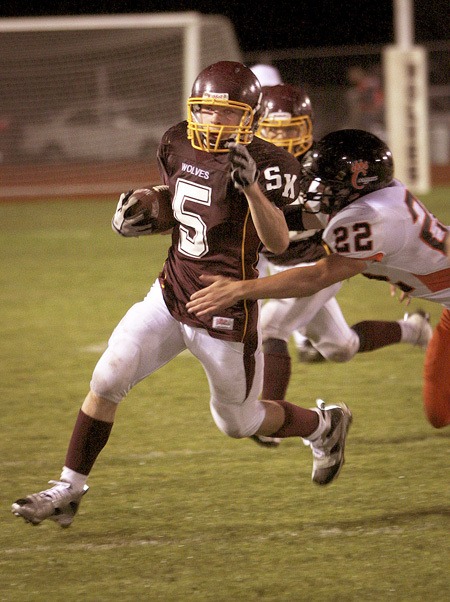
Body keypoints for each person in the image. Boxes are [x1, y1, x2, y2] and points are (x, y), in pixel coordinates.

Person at [11, 62, 353, 529]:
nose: (214, 121)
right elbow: (182, 203)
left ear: (250, 118)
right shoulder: (176, 140)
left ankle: (324, 425)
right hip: (171, 292)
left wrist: (252, 188)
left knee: (238, 422)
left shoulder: (274, 163)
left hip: (225, 307)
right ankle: (68, 489)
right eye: (206, 110)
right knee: (108, 376)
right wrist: (142, 209)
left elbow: (276, 242)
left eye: (227, 113)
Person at [186, 128, 450, 430]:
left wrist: (238, 290)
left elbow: (317, 276)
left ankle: (272, 425)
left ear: (358, 185)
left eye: (326, 184)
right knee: (438, 414)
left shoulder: (371, 218)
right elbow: (303, 218)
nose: (314, 190)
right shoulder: (375, 200)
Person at [251, 86, 432, 447]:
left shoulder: (324, 164)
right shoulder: (252, 161)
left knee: (270, 327)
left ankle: (268, 419)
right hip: (280, 265)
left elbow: (383, 207)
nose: (283, 138)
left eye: (292, 129)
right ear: (259, 128)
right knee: (340, 347)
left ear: (308, 127)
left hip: (321, 265)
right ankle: (413, 331)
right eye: (274, 129)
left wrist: (396, 262)